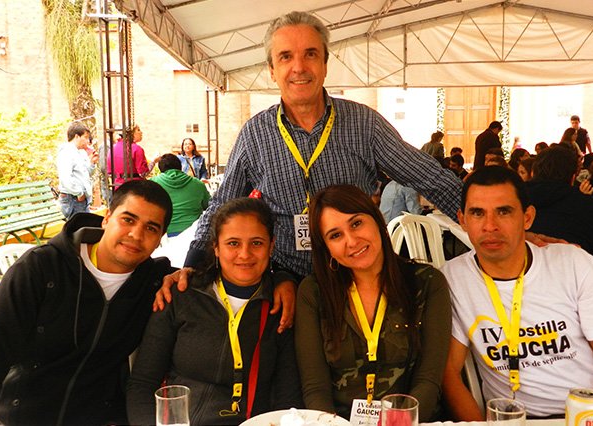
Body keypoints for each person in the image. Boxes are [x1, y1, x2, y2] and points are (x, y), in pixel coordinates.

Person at [180, 10, 462, 288]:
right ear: (272, 70)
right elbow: (222, 204)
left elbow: (428, 177)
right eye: (286, 56)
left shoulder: (364, 123)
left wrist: (476, 220)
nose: (299, 67)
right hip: (285, 281)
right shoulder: (255, 134)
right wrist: (192, 265)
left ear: (325, 64)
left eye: (311, 54)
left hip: (355, 274)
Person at [0, 180, 175, 426]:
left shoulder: (154, 282)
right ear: (106, 218)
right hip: (23, 417)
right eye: (127, 220)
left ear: (160, 238)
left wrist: (185, 275)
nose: (136, 235)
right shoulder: (41, 268)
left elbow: (206, 277)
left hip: (101, 419)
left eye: (151, 228)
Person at [440, 166, 593, 420]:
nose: (490, 226)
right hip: (509, 418)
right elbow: (448, 373)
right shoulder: (453, 278)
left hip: (585, 413)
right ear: (463, 220)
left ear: (527, 218)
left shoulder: (574, 264)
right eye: (477, 213)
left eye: (504, 212)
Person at [127, 197, 302, 425]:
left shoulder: (282, 306)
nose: (245, 254)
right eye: (233, 243)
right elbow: (142, 384)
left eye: (257, 243)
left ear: (271, 246)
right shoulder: (180, 295)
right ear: (216, 248)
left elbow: (288, 398)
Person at [295, 184, 451, 422]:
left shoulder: (427, 283)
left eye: (356, 223)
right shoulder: (314, 292)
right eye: (335, 235)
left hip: (410, 421)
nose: (351, 241)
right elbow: (315, 388)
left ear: (377, 219)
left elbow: (428, 379)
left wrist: (401, 421)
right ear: (326, 248)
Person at [526, 144, 593, 259]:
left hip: (520, 267)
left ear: (533, 173)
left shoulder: (514, 199)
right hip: (576, 266)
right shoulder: (591, 206)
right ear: (573, 177)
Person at [150, 153, 210, 237]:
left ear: (160, 169)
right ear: (180, 166)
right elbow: (209, 205)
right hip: (193, 233)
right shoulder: (198, 184)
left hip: (164, 234)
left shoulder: (152, 184)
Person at [57, 122, 98, 219]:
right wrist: (79, 193)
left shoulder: (81, 152)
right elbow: (65, 178)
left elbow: (86, 173)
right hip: (72, 198)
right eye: (85, 137)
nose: (87, 141)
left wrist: (92, 163)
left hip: (82, 198)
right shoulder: (66, 152)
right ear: (76, 137)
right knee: (78, 226)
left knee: (84, 226)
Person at [107, 124, 158, 189]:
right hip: (134, 187)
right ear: (132, 133)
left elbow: (110, 171)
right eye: (138, 130)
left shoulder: (112, 148)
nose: (141, 132)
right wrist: (154, 161)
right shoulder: (137, 149)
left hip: (118, 186)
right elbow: (143, 173)